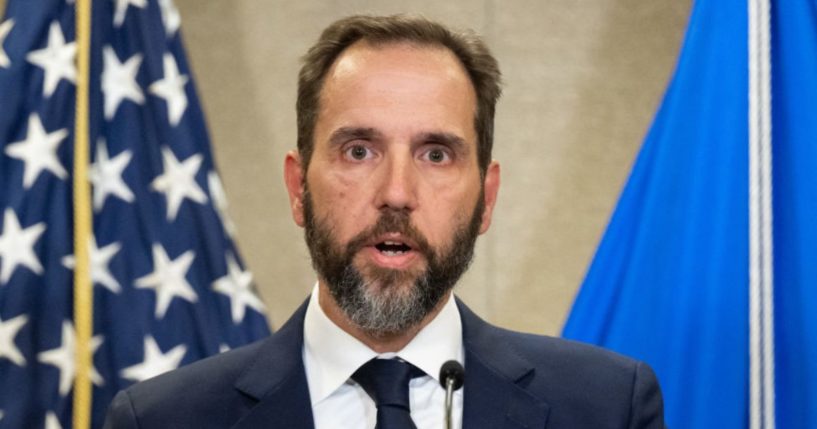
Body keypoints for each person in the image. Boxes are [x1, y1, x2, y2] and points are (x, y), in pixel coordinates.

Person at [103, 14, 665, 429]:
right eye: (358, 151)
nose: (396, 193)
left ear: (487, 199)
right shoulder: (161, 420)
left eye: (437, 154)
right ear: (298, 187)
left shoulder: (607, 407)